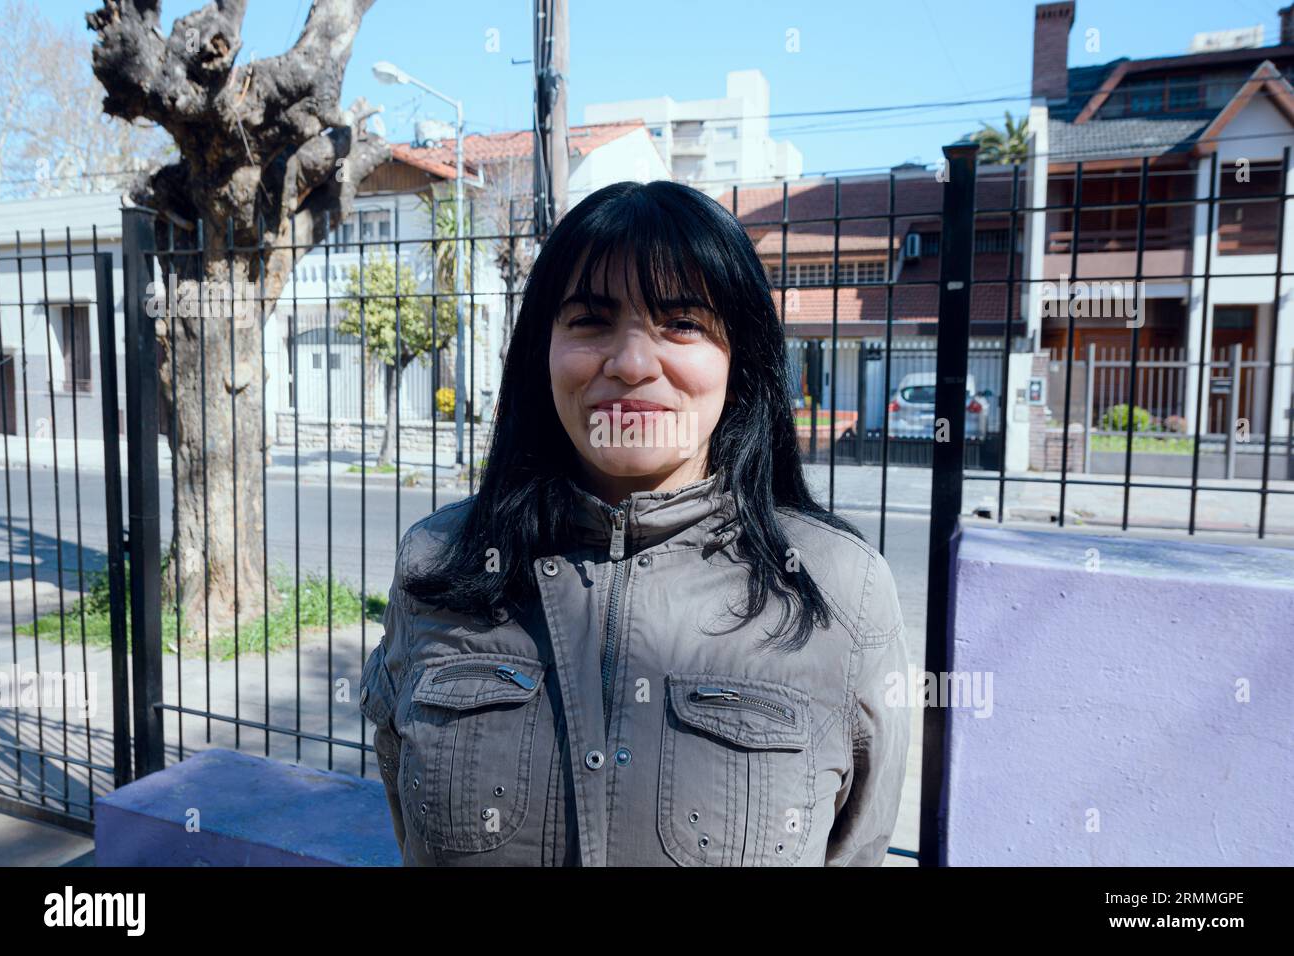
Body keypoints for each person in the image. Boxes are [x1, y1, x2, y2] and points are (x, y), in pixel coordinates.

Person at [359, 179, 910, 866]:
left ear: (739, 361)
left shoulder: (840, 591)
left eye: (682, 323)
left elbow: (856, 850)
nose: (631, 363)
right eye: (590, 320)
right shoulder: (439, 565)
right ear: (543, 352)